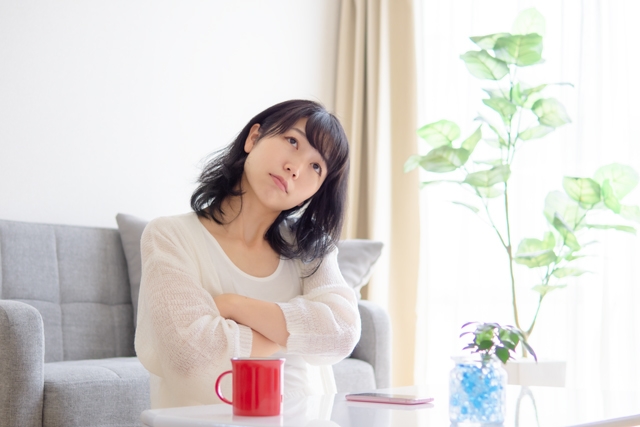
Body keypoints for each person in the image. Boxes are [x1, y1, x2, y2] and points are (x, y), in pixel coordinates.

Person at [134, 99, 361, 409]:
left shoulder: (310, 248)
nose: (295, 168)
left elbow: (342, 334)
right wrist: (294, 336)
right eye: (292, 141)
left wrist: (233, 305)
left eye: (316, 167)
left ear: (315, 191)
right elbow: (190, 357)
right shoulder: (169, 236)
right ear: (254, 138)